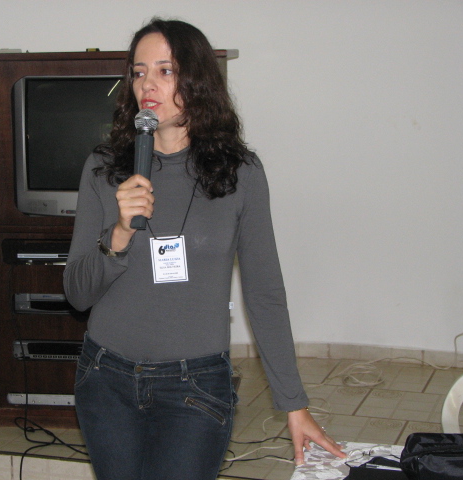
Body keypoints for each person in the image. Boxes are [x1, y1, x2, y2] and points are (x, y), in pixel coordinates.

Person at [63, 17, 345, 480]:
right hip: (106, 380)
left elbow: (265, 293)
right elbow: (76, 293)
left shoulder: (240, 174)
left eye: (165, 71)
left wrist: (293, 403)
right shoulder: (103, 168)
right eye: (138, 72)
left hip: (195, 386)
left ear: (197, 80)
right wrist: (118, 235)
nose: (147, 85)